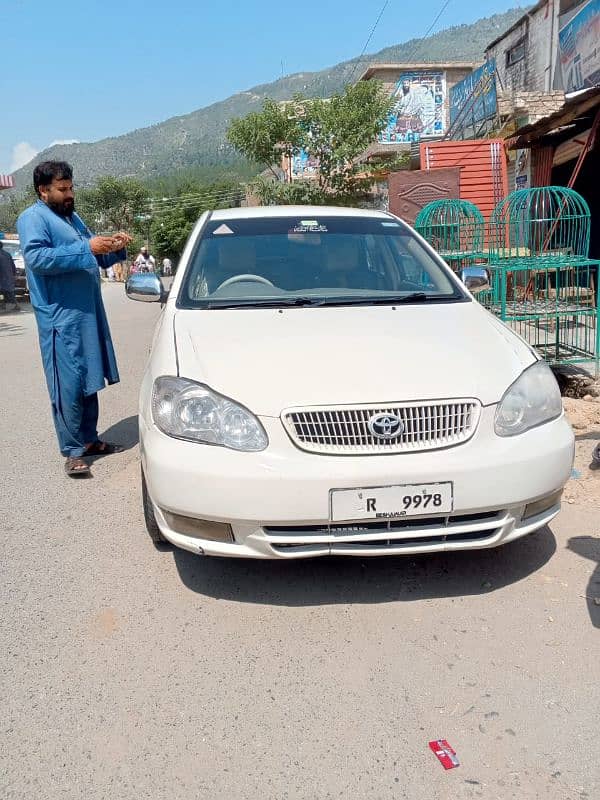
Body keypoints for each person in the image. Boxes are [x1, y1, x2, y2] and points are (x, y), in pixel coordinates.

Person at [17, 161, 133, 478]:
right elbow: (38, 258)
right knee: (67, 384)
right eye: (62, 190)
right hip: (60, 319)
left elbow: (92, 252)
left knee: (88, 379)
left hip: (87, 313)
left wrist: (115, 247)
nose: (69, 194)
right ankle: (71, 451)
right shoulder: (32, 218)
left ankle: (89, 439)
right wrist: (87, 246)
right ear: (43, 191)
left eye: (71, 188)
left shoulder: (72, 218)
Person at [0, 241, 20, 312]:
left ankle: (16, 305)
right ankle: (3, 305)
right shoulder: (7, 254)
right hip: (8, 276)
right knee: (7, 291)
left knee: (6, 291)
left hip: (2, 276)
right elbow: (13, 266)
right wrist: (14, 274)